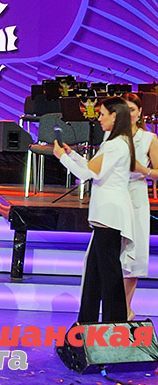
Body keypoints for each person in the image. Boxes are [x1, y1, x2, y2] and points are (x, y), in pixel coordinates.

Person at [54, 96, 137, 323]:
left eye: (102, 114)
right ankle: (87, 322)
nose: (98, 119)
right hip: (105, 216)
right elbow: (93, 168)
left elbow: (87, 174)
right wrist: (72, 155)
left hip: (109, 215)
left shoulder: (116, 145)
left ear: (114, 116)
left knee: (108, 275)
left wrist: (62, 158)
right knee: (94, 273)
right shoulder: (116, 142)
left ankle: (114, 324)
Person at [120, 93, 158, 320]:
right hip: (114, 196)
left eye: (132, 110)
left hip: (136, 195)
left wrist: (143, 170)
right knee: (113, 253)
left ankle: (126, 308)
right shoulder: (112, 136)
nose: (128, 115)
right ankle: (115, 307)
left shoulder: (149, 138)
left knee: (134, 253)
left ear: (140, 112)